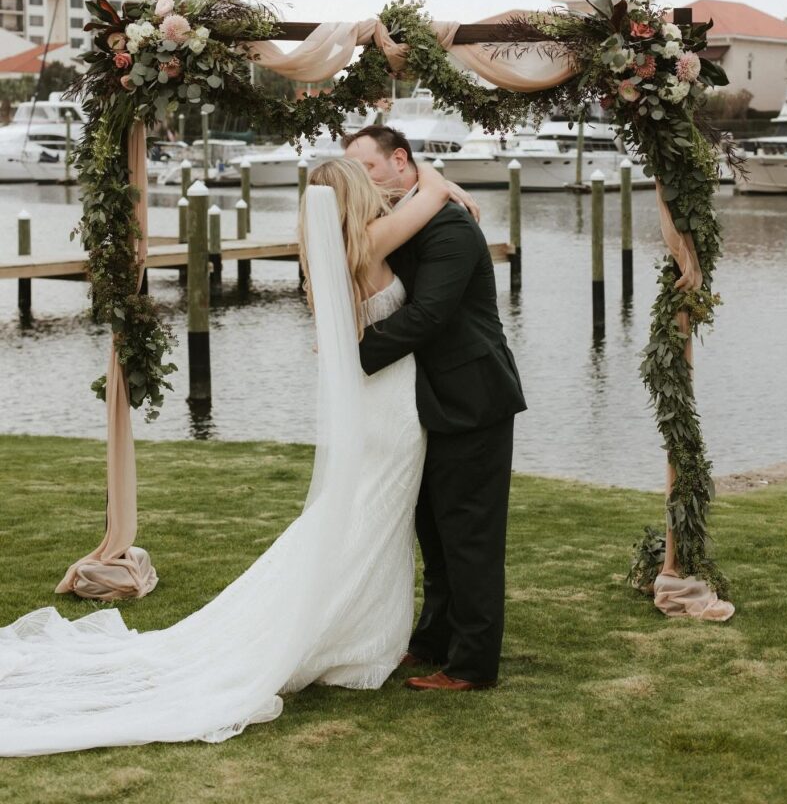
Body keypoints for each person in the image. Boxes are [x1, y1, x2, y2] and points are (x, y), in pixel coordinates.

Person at [0, 157, 455, 756]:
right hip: (391, 409)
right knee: (373, 521)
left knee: (362, 520)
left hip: (378, 405)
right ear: (353, 196)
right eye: (367, 185)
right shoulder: (369, 243)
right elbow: (432, 192)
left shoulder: (325, 254)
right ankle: (351, 639)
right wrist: (444, 185)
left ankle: (355, 632)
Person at [345, 126, 526, 691]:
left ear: (400, 161)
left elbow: (429, 316)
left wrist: (352, 358)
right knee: (434, 531)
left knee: (470, 534)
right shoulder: (412, 214)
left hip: (474, 397)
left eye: (367, 169)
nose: (362, 182)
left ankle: (472, 664)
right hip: (426, 402)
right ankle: (431, 640)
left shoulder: (450, 225)